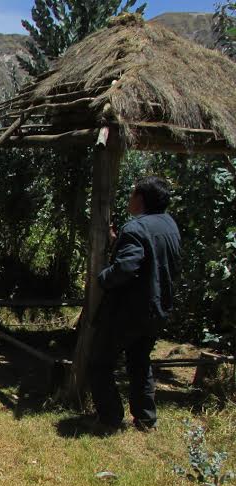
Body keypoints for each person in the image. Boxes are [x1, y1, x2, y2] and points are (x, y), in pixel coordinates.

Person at [88, 176, 181, 432]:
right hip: (157, 308)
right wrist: (118, 241)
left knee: (99, 362)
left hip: (128, 311)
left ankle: (109, 417)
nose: (130, 199)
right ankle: (146, 419)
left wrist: (104, 277)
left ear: (140, 199)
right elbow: (151, 256)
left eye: (132, 195)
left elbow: (128, 266)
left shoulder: (136, 228)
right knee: (139, 362)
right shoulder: (169, 225)